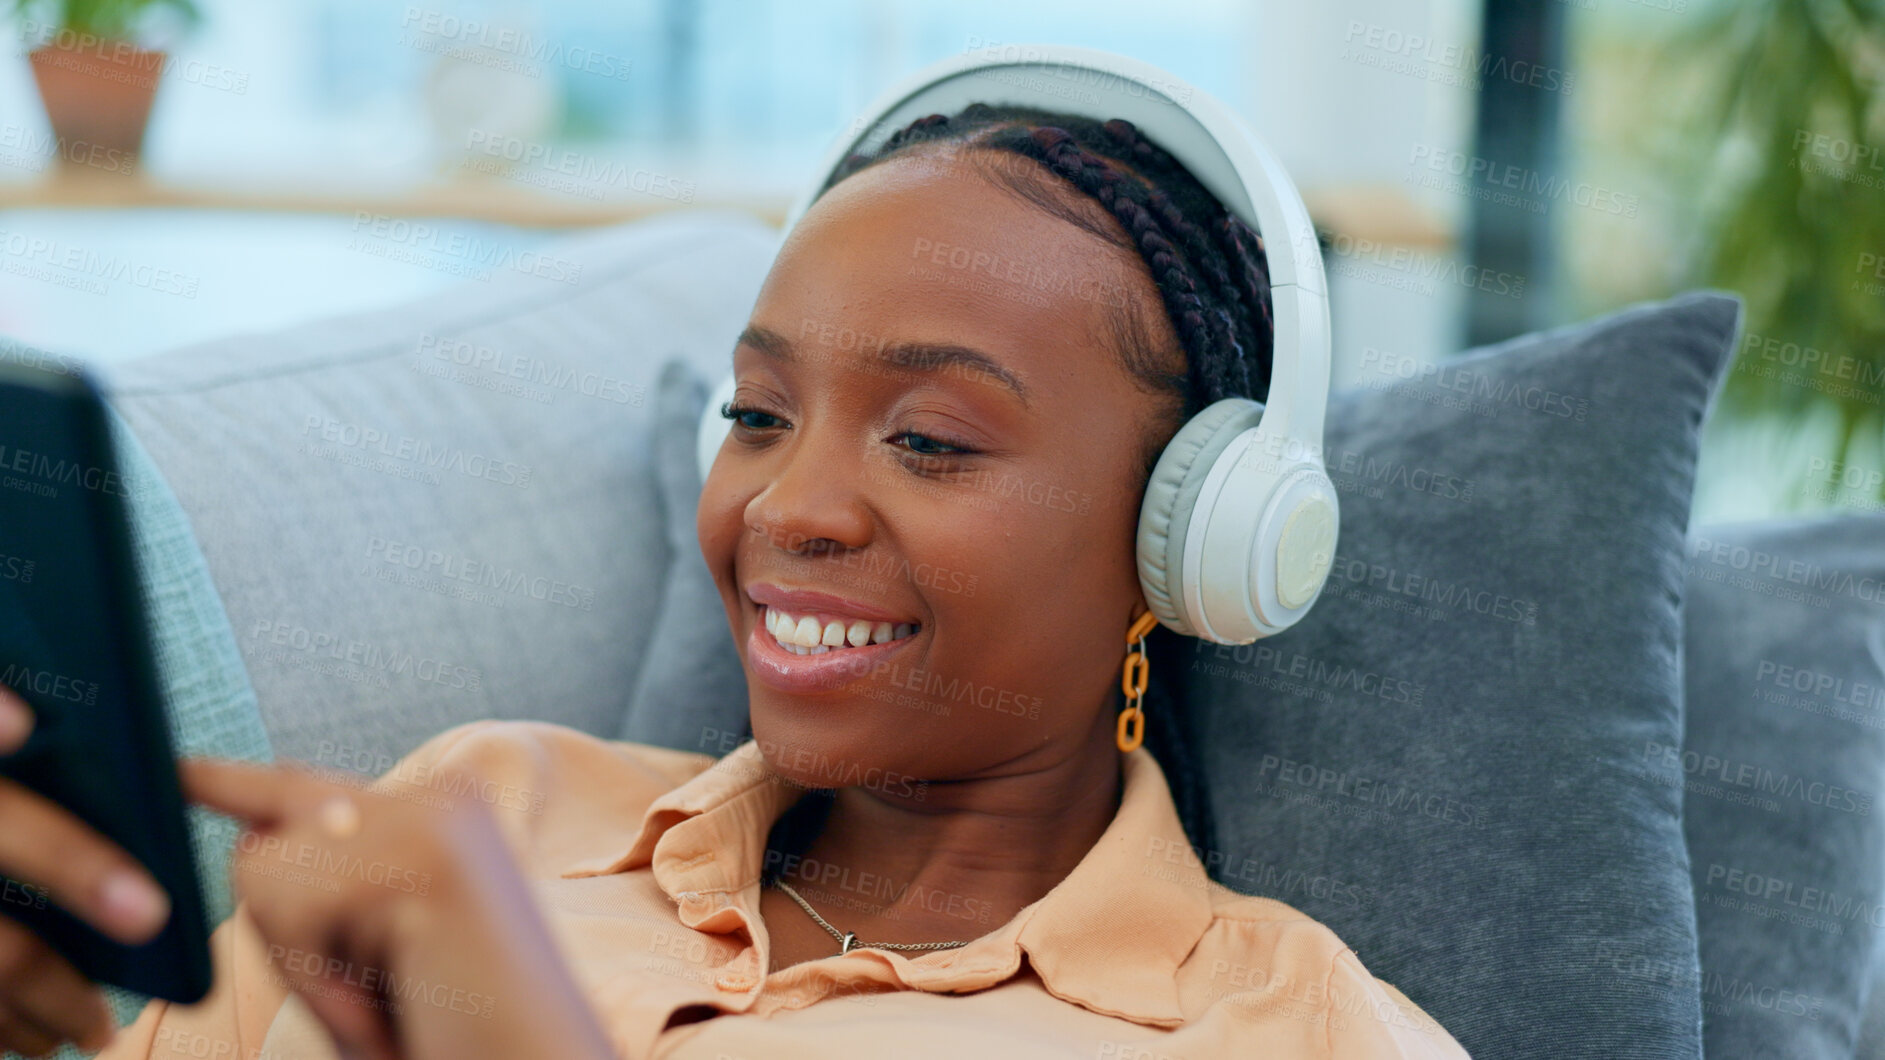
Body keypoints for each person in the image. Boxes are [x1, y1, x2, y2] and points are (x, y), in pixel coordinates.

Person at [0, 102, 1471, 1058]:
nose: (791, 504)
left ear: (1188, 534)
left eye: (931, 438)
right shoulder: (476, 812)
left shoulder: (1294, 1030)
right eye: (757, 416)